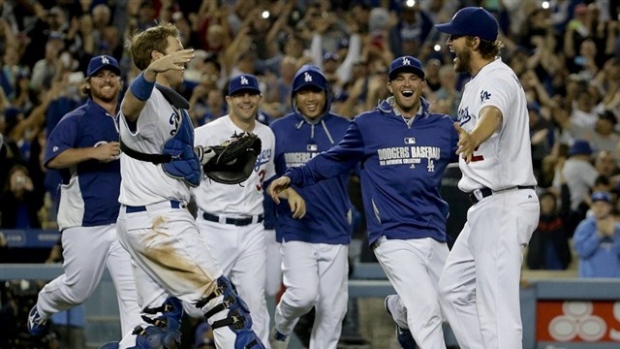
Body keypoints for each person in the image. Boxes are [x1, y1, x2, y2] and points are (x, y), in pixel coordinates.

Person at [268, 56, 459, 349]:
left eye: (412, 78)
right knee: (427, 311)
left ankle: (401, 311)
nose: (406, 83)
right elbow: (330, 161)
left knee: (451, 304)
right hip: (385, 232)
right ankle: (281, 326)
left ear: (423, 84)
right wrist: (294, 179)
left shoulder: (441, 126)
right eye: (400, 78)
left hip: (427, 230)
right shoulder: (365, 125)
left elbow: (473, 155)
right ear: (390, 85)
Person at [111, 23, 263, 348]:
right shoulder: (148, 95)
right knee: (224, 305)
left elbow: (171, 157)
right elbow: (129, 108)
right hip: (157, 221)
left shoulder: (173, 104)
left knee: (159, 330)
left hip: (148, 218)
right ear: (156, 57)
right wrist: (151, 71)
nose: (184, 57)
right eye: (176, 49)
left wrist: (209, 155)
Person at [435, 7, 540, 349]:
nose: (449, 42)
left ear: (475, 41)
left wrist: (476, 135)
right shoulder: (473, 85)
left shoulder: (497, 77)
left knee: (498, 310)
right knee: (452, 291)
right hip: (484, 206)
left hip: (505, 200)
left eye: (455, 36)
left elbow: (493, 114)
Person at [27, 55, 142, 339]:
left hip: (121, 222)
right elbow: (52, 158)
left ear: (120, 81)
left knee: (133, 297)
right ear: (88, 84)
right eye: (99, 75)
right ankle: (43, 304)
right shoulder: (76, 119)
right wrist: (93, 152)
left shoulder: (129, 121)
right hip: (83, 222)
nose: (107, 79)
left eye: (112, 74)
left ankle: (133, 345)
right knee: (78, 290)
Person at [192, 73, 306, 346]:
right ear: (229, 100)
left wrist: (288, 191)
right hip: (213, 227)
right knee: (197, 305)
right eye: (240, 95)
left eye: (251, 94)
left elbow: (268, 176)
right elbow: (182, 177)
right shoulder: (205, 134)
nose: (246, 99)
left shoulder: (266, 134)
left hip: (253, 228)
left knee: (255, 304)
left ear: (259, 98)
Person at [267, 65, 353, 349]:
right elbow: (265, 176)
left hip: (335, 229)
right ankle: (281, 325)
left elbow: (367, 172)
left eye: (316, 91)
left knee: (333, 310)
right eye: (303, 92)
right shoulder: (278, 129)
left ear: (326, 94)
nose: (311, 98)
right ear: (294, 96)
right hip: (296, 229)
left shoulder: (346, 129)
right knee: (302, 296)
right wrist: (289, 189)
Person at [573, 191, 620, 278]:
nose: (599, 208)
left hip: (615, 284)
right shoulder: (584, 227)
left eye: (603, 205)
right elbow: (581, 252)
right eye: (596, 205)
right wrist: (598, 235)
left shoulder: (617, 228)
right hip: (590, 284)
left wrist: (614, 236)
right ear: (592, 207)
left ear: (609, 207)